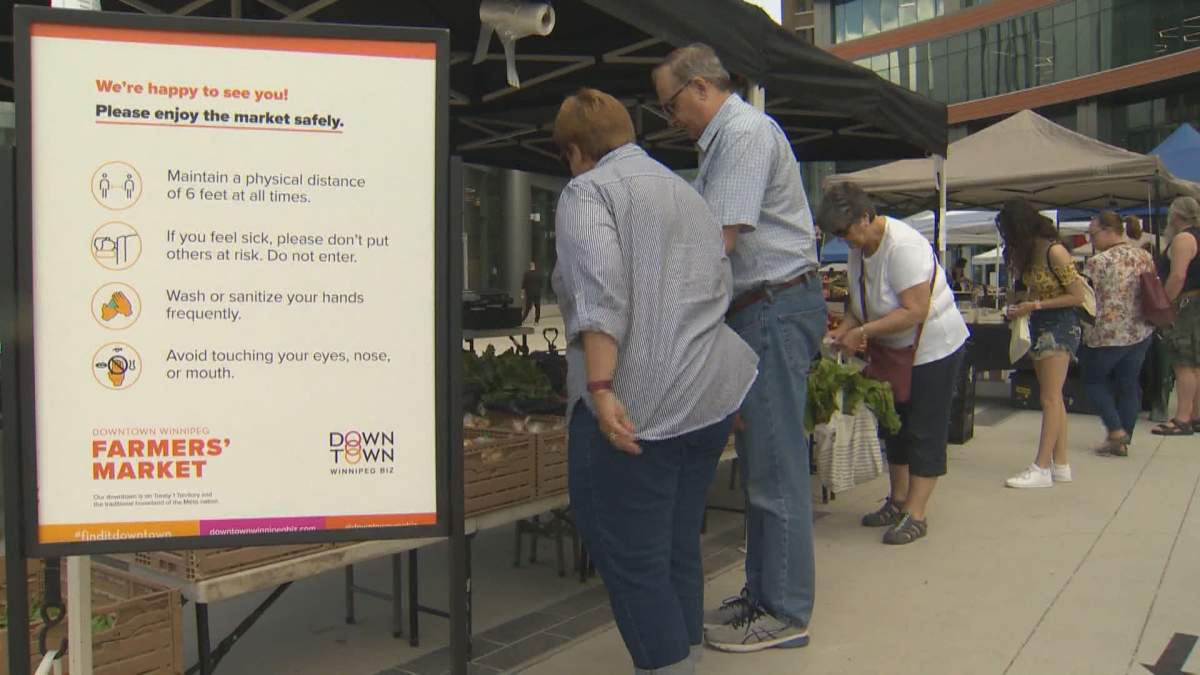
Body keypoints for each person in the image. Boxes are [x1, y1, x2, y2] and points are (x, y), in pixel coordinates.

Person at [551, 88, 759, 675]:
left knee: (631, 559)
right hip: (708, 392)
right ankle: (685, 658)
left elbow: (599, 291)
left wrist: (599, 387)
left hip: (640, 399)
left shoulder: (587, 191)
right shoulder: (685, 192)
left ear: (574, 150)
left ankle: (669, 665)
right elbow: (717, 283)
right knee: (673, 546)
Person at [653, 43, 823, 652]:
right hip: (762, 309)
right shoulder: (726, 141)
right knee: (760, 466)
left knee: (774, 470)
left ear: (701, 87)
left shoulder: (745, 133)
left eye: (671, 105)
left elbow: (716, 242)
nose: (672, 119)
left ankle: (785, 610)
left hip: (773, 306)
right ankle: (764, 593)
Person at [818, 183, 968, 544]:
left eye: (846, 231)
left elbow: (915, 311)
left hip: (933, 348)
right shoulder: (860, 249)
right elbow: (860, 305)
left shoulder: (903, 246)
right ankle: (898, 499)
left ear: (866, 216)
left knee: (924, 427)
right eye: (836, 234)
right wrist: (845, 331)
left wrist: (864, 331)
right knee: (894, 423)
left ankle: (917, 513)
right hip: (893, 350)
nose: (844, 239)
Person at [996, 199, 1086, 488]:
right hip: (1041, 323)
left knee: (1049, 397)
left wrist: (1033, 304)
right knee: (1054, 396)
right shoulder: (1031, 253)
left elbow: (1077, 296)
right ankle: (1060, 463)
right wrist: (1021, 304)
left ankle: (1042, 466)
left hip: (1059, 325)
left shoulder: (1053, 251)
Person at [1079, 212, 1156, 455]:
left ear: (1109, 231)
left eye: (1093, 234)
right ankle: (1124, 438)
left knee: (1092, 381)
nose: (1091, 240)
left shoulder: (1098, 261)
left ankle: (1115, 430)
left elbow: (1085, 296)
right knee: (1129, 384)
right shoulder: (1144, 256)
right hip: (1140, 330)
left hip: (1107, 333)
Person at [1152, 196, 1200, 436]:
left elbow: (1178, 276)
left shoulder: (1183, 238)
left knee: (1184, 364)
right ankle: (1196, 414)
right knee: (1197, 363)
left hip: (1187, 304)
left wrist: (1164, 304)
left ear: (1176, 216)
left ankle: (1182, 418)